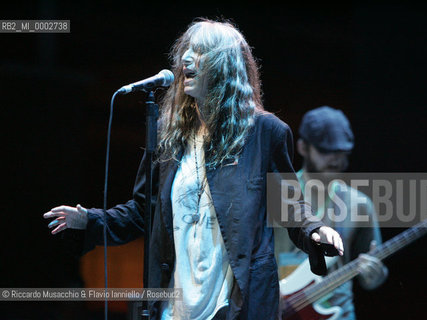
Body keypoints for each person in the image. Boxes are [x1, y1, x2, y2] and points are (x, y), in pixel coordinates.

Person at [43, 19, 344, 320]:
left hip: (235, 303)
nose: (186, 59)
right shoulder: (170, 137)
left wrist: (315, 230)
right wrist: (89, 220)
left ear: (225, 65)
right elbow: (142, 212)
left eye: (199, 52)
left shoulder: (265, 133)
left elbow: (290, 206)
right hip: (175, 306)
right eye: (185, 51)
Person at [274, 106, 388, 320]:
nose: (335, 159)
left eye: (341, 152)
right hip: (281, 311)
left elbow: (371, 278)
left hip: (338, 314)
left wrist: (374, 274)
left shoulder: (360, 204)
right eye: (326, 151)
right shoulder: (277, 195)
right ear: (302, 147)